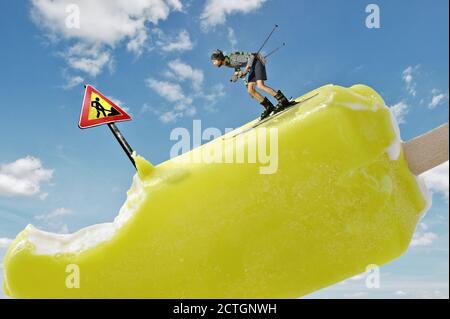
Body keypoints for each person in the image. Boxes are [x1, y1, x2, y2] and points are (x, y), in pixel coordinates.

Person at [210, 49, 290, 120]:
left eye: (214, 61)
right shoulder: (227, 63)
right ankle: (269, 107)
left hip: (257, 61)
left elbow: (250, 57)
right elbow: (237, 65)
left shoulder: (233, 58)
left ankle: (283, 100)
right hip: (253, 67)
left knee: (260, 85)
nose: (213, 63)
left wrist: (246, 69)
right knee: (250, 90)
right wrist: (236, 74)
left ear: (219, 58)